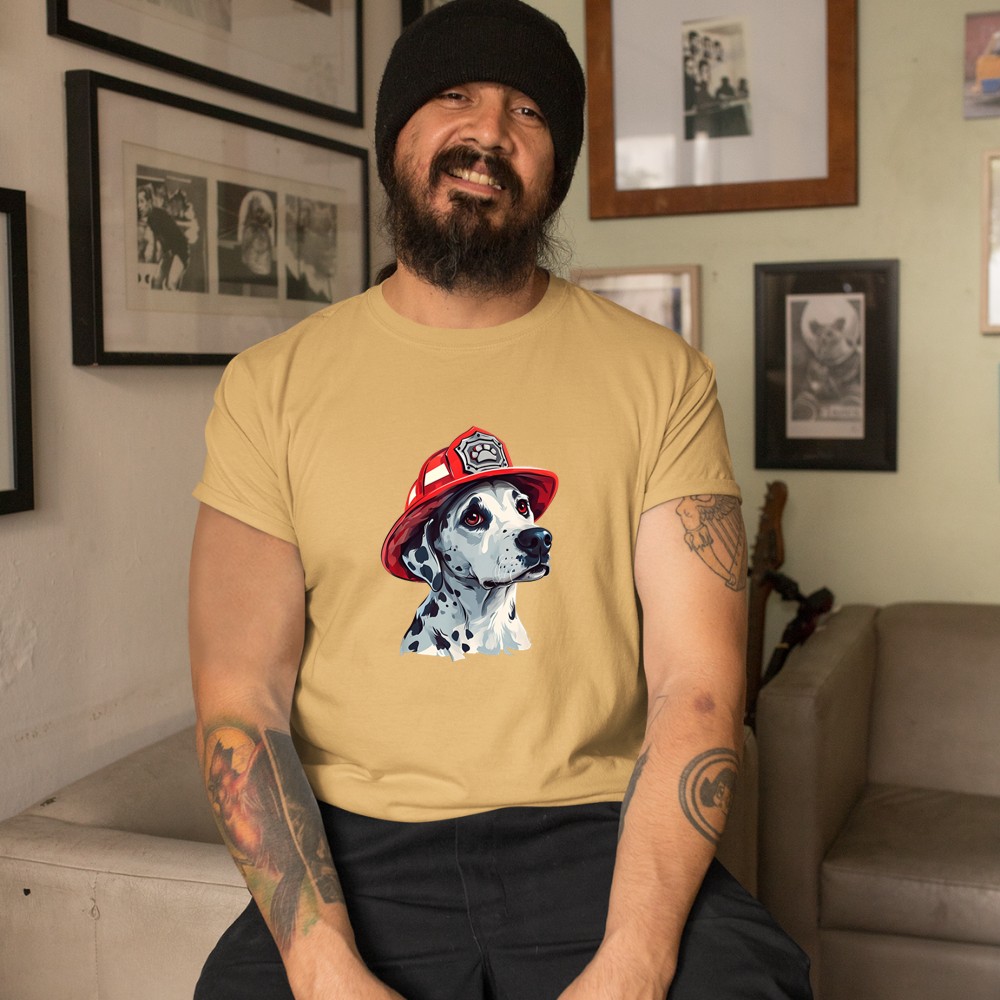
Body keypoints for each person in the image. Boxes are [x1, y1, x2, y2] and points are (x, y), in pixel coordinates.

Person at [188, 2, 812, 998]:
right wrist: (321, 967)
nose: (488, 132)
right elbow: (240, 699)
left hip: (595, 830)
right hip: (357, 843)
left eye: (528, 111)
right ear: (395, 137)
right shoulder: (270, 386)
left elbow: (696, 684)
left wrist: (636, 961)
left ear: (555, 169)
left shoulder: (662, 377)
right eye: (453, 97)